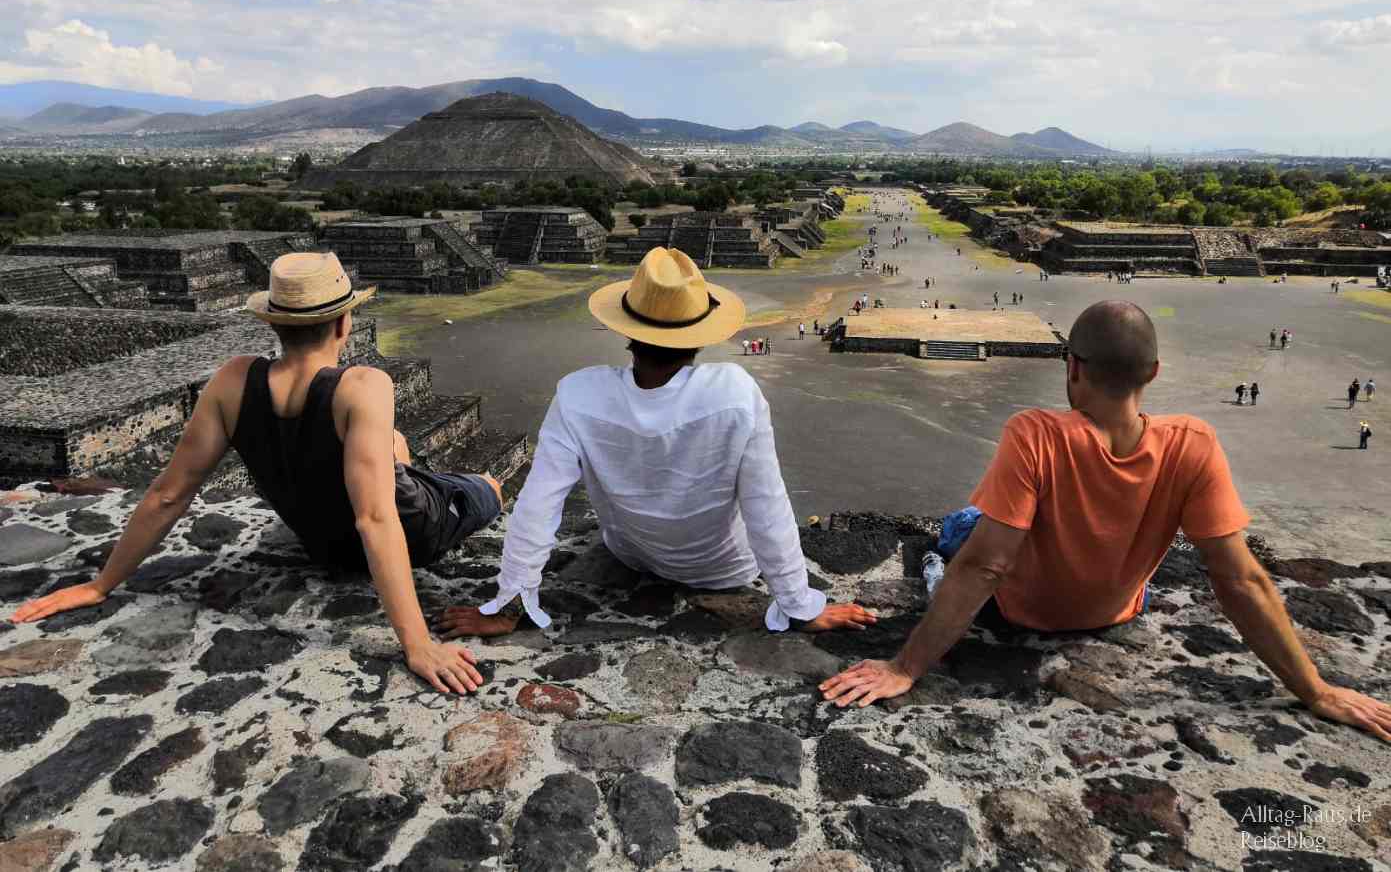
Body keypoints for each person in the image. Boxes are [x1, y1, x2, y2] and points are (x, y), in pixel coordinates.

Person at [818, 301, 1391, 742]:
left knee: (961, 531)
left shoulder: (1036, 433)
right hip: (1116, 609)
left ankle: (935, 557)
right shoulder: (1193, 444)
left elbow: (989, 565)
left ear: (1072, 367)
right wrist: (1313, 689)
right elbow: (1241, 579)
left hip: (1022, 611)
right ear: (1155, 371)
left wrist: (904, 666)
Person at [10, 253, 503, 696]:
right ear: (343, 325)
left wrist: (102, 584)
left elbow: (167, 495)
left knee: (391, 446)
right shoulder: (363, 385)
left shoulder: (233, 380)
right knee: (488, 487)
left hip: (321, 542)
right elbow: (376, 519)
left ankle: (403, 466)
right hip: (417, 529)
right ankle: (453, 482)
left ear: (275, 324)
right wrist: (417, 645)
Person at [436, 248, 876, 640]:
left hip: (631, 554)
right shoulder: (734, 393)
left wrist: (508, 604)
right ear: (701, 334)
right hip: (723, 570)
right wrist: (799, 606)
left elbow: (538, 505)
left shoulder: (578, 394)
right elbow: (768, 506)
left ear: (626, 329)